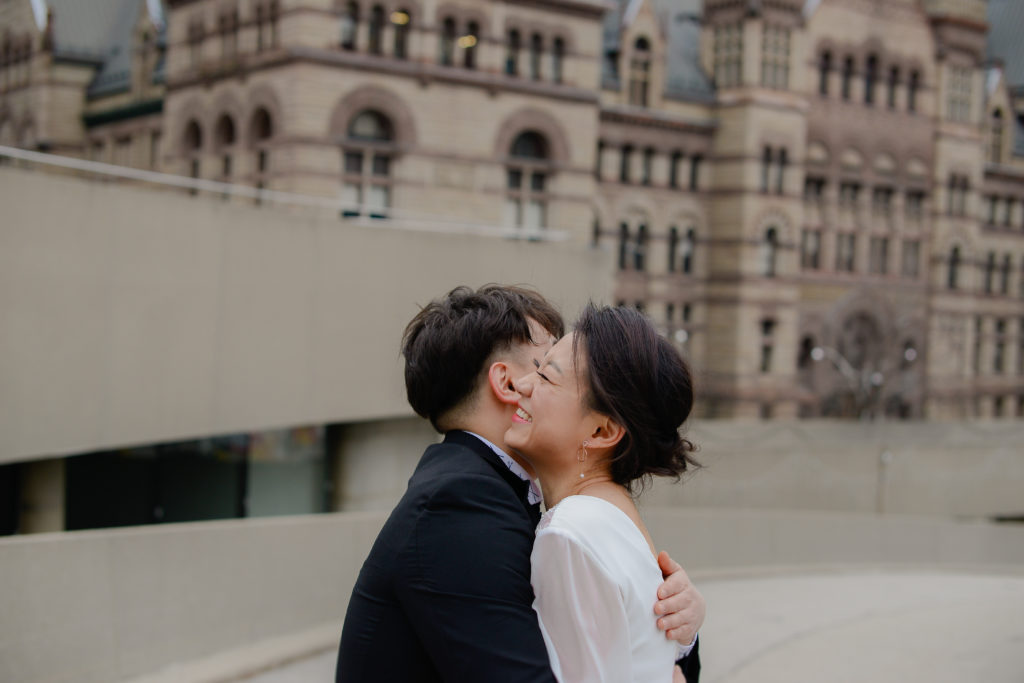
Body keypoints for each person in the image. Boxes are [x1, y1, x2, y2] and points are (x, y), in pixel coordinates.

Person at [336, 285, 704, 682]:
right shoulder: (459, 505)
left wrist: (672, 627)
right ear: (509, 384)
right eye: (543, 367)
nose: (533, 384)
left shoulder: (505, 498)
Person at [506, 304, 700, 682]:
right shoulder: (613, 519)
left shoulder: (570, 532)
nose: (523, 384)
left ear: (601, 432)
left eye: (546, 376)